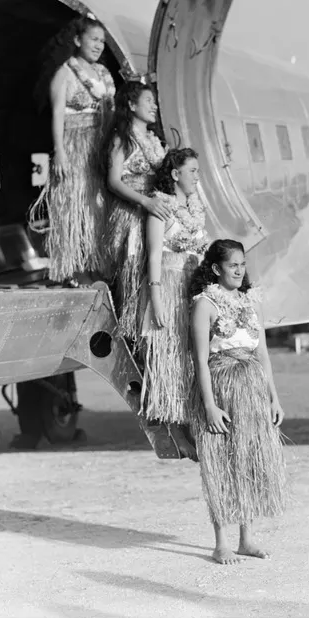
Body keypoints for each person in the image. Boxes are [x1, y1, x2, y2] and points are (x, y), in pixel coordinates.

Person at [189, 239, 286, 565]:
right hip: (222, 386)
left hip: (253, 388)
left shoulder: (250, 302)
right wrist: (209, 405)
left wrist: (274, 398)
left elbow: (263, 355)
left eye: (242, 264)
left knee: (250, 458)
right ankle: (221, 543)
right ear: (217, 269)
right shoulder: (205, 304)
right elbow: (200, 360)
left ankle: (247, 539)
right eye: (233, 265)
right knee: (221, 462)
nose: (239, 270)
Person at [30, 14, 116, 284]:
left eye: (102, 41)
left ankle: (98, 265)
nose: (99, 45)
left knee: (98, 210)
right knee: (75, 208)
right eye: (93, 39)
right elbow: (57, 115)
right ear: (78, 40)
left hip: (100, 150)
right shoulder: (65, 72)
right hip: (74, 147)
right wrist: (61, 152)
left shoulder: (104, 73)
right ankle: (72, 270)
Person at [138, 148, 209, 459]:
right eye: (192, 170)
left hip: (192, 287)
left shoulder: (196, 207)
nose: (197, 176)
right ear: (176, 174)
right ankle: (176, 432)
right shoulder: (160, 207)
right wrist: (155, 297)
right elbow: (153, 253)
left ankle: (191, 425)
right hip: (168, 285)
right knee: (170, 358)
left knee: (191, 356)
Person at [104, 82, 172, 343]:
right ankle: (134, 340)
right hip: (133, 215)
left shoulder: (154, 139)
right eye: (148, 101)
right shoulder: (122, 138)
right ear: (131, 105)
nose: (154, 106)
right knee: (135, 275)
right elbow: (114, 181)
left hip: (156, 214)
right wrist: (145, 202)